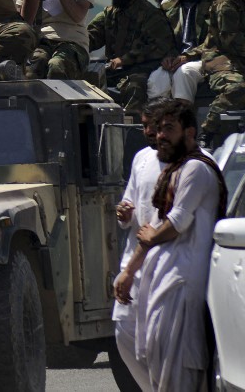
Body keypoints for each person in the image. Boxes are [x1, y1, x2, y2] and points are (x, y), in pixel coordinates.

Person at [114, 99, 226, 391]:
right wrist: (130, 269)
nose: (160, 135)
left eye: (169, 129)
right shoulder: (170, 168)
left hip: (182, 280)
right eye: (158, 129)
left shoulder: (197, 169)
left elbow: (174, 223)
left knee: (179, 369)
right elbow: (152, 229)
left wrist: (150, 238)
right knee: (153, 357)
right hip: (161, 279)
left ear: (189, 133)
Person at [111, 99, 167, 391]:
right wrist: (124, 214)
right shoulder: (141, 158)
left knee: (163, 343)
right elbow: (130, 201)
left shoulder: (194, 162)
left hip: (169, 264)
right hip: (133, 262)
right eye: (144, 125)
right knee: (124, 332)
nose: (147, 131)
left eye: (152, 125)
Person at [87, 0, 175, 113]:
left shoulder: (151, 15)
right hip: (113, 71)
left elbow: (159, 46)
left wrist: (125, 59)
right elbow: (91, 37)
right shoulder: (109, 14)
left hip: (139, 70)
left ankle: (130, 129)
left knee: (135, 85)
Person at [147, 0, 215, 103]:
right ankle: (160, 121)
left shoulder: (216, 5)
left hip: (202, 59)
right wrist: (167, 57)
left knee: (185, 73)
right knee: (157, 79)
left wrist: (189, 56)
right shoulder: (167, 6)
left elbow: (216, 40)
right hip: (174, 60)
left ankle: (182, 119)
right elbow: (160, 38)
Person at [198, 0, 245, 147]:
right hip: (223, 58)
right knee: (238, 87)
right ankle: (206, 134)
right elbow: (230, 41)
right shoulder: (228, 3)